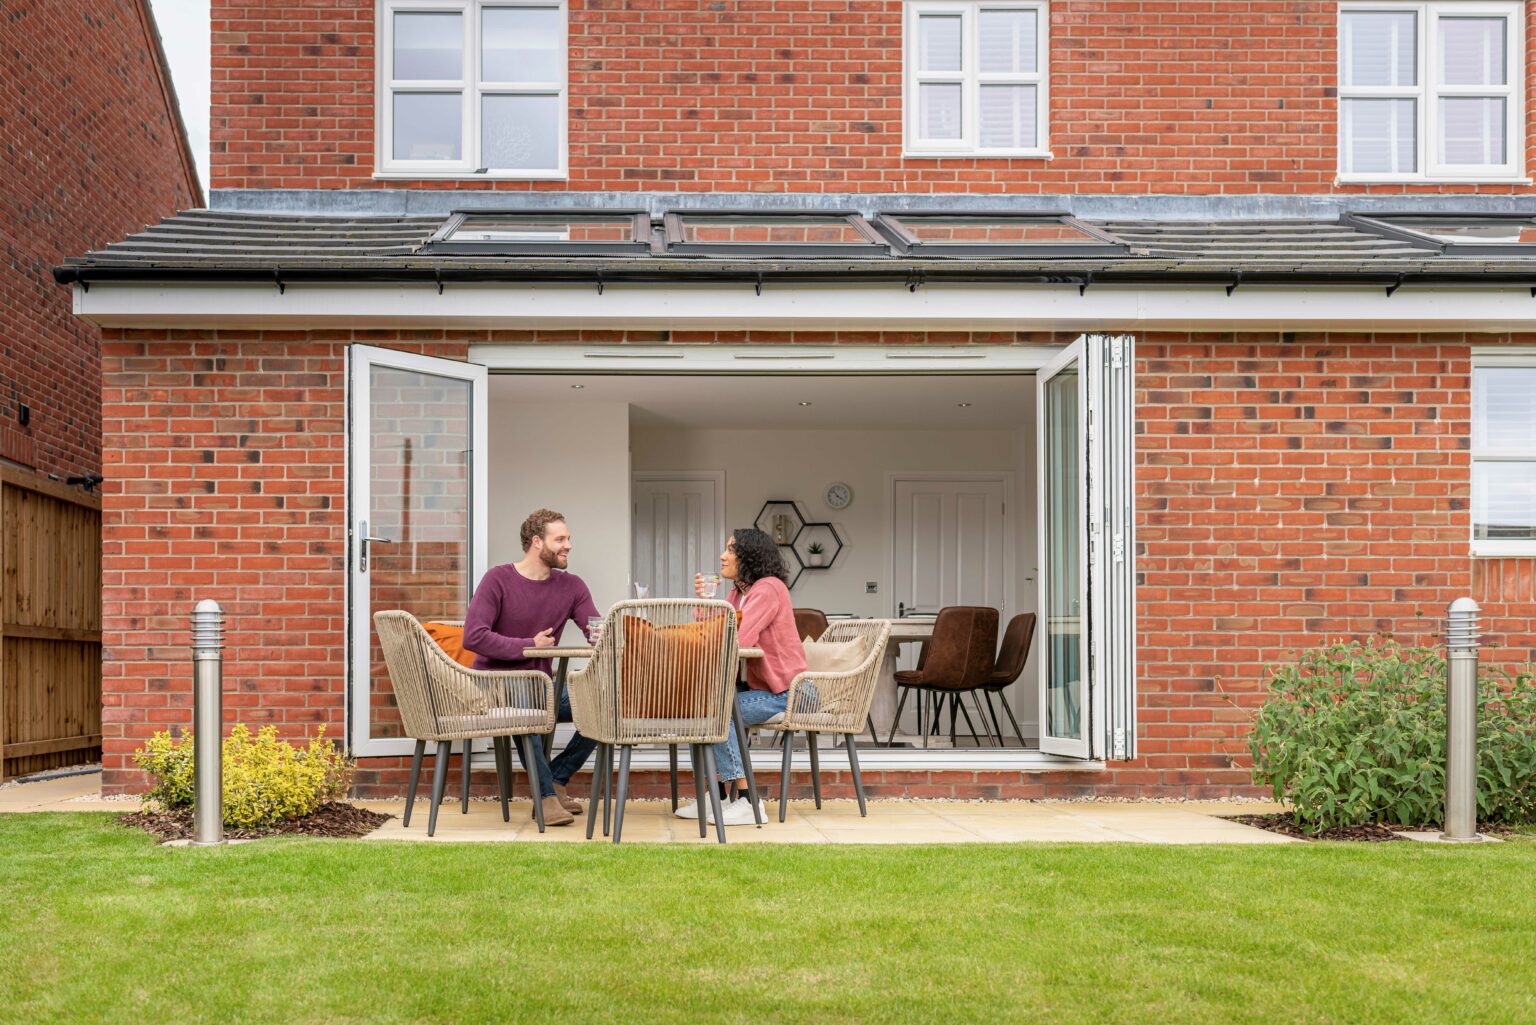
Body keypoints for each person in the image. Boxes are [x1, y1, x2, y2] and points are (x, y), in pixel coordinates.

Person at [462, 508, 600, 827]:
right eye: (560, 539)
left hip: (541, 687)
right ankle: (545, 797)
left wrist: (621, 636)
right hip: (494, 685)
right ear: (537, 542)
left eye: (569, 538)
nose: (568, 545)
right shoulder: (498, 579)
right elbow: (473, 636)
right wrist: (527, 646)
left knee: (604, 701)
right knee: (528, 694)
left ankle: (556, 778)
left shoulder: (572, 587)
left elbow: (596, 632)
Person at [676, 527, 808, 826]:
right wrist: (704, 600)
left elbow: (739, 639)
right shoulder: (739, 592)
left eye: (731, 549)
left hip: (792, 692)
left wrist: (712, 630)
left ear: (749, 555)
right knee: (700, 709)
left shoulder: (769, 588)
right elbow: (713, 628)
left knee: (720, 710)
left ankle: (749, 802)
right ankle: (718, 797)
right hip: (766, 690)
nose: (723, 555)